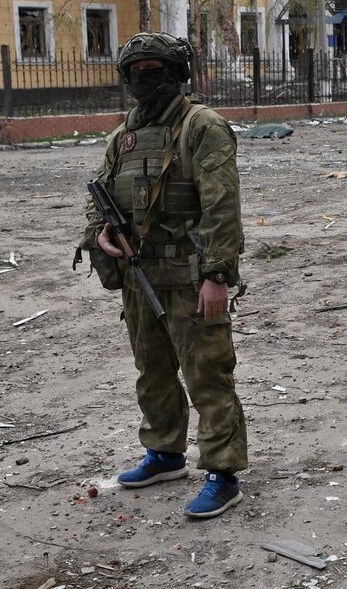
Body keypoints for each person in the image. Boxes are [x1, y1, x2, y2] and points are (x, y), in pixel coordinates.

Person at [82, 32, 249, 519]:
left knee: (207, 374)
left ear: (177, 74)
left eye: (154, 70)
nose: (143, 79)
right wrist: (99, 235)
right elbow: (101, 197)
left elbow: (223, 208)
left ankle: (222, 472)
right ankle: (165, 453)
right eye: (135, 71)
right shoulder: (123, 136)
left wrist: (218, 275)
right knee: (152, 371)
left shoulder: (202, 127)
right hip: (139, 274)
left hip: (191, 276)